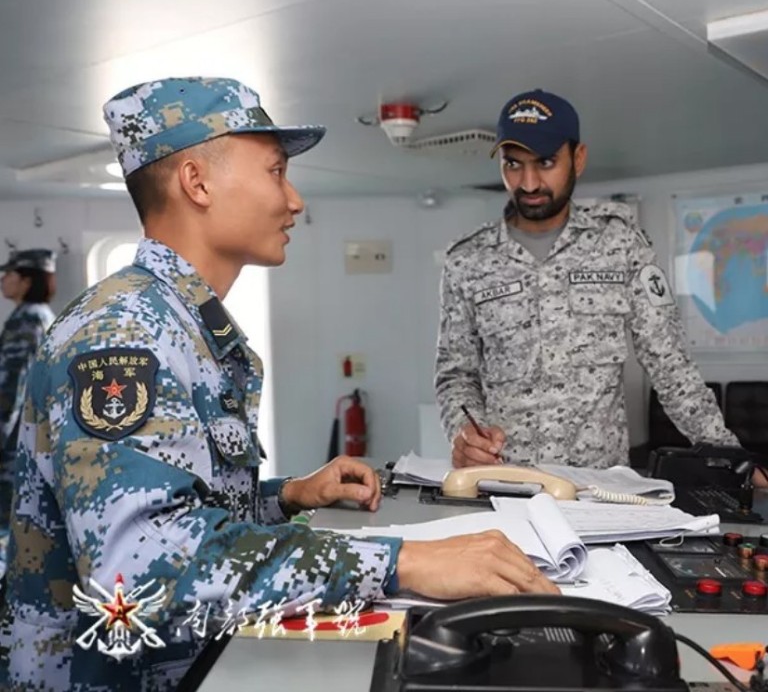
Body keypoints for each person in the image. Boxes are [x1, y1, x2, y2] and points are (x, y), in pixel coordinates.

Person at [0, 77, 557, 691]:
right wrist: (404, 562)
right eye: (275, 172)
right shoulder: (124, 334)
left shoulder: (176, 320)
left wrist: (285, 497)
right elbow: (142, 572)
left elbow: (179, 507)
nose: (294, 200)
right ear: (197, 182)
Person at [436, 88, 752, 472]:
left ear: (578, 158)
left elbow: (671, 366)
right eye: (513, 164)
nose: (530, 182)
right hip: (504, 484)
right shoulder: (467, 260)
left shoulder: (620, 243)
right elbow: (457, 376)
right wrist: (464, 434)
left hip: (598, 492)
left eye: (546, 162)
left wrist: (732, 460)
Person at [0, 249, 56, 567]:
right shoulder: (41, 315)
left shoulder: (27, 319)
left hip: (13, 442)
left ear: (26, 281)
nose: (3, 280)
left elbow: (10, 388)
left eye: (9, 274)